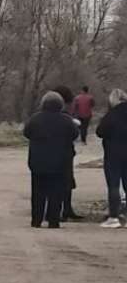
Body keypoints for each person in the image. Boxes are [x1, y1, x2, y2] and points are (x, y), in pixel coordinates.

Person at [25, 91, 79, 228]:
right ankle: (53, 220)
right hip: (60, 162)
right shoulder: (66, 120)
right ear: (60, 104)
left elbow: (26, 133)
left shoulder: (35, 119)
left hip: (38, 162)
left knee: (38, 192)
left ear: (43, 104)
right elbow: (75, 134)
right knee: (56, 192)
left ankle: (36, 220)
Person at [95, 88, 127, 228]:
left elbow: (100, 132)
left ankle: (114, 217)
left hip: (113, 154)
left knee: (114, 185)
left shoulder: (111, 115)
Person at [53, 85, 84, 221]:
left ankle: (65, 209)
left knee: (63, 180)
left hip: (55, 151)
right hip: (65, 151)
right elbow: (74, 134)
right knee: (65, 180)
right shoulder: (65, 115)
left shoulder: (47, 113)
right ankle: (64, 209)